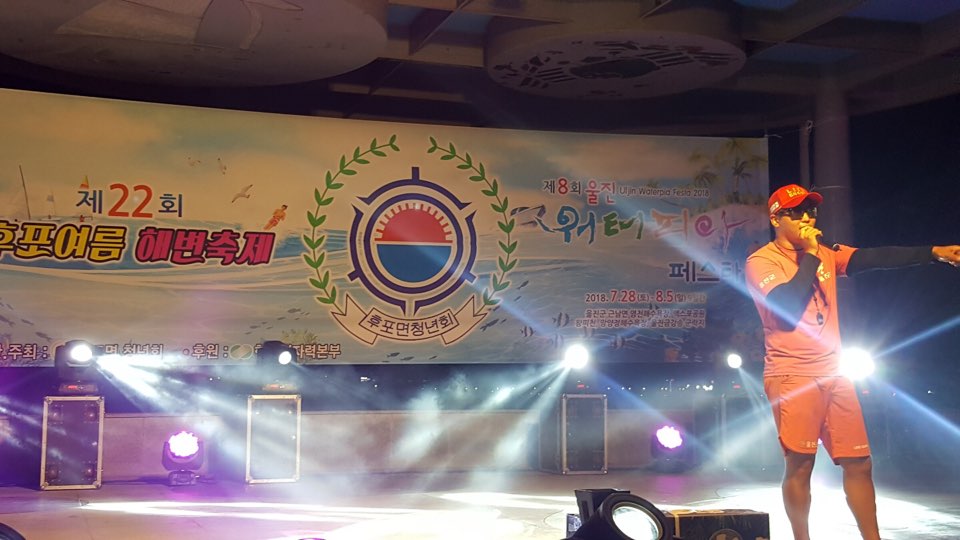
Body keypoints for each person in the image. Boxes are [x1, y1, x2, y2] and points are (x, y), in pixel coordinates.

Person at [743, 183, 960, 540]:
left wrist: (934, 252)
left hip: (835, 373)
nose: (807, 218)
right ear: (776, 219)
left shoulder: (826, 254)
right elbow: (786, 307)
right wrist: (811, 254)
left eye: (811, 210)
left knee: (859, 463)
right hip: (792, 374)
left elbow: (875, 258)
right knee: (800, 465)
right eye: (796, 212)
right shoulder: (762, 261)